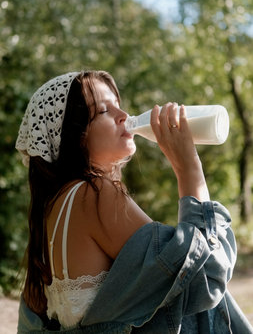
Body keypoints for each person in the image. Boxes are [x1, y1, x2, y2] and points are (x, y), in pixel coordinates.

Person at [16, 70, 252, 334]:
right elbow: (205, 279)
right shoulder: (93, 194)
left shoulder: (54, 208)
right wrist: (189, 168)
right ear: (71, 135)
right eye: (103, 110)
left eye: (118, 104)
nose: (124, 116)